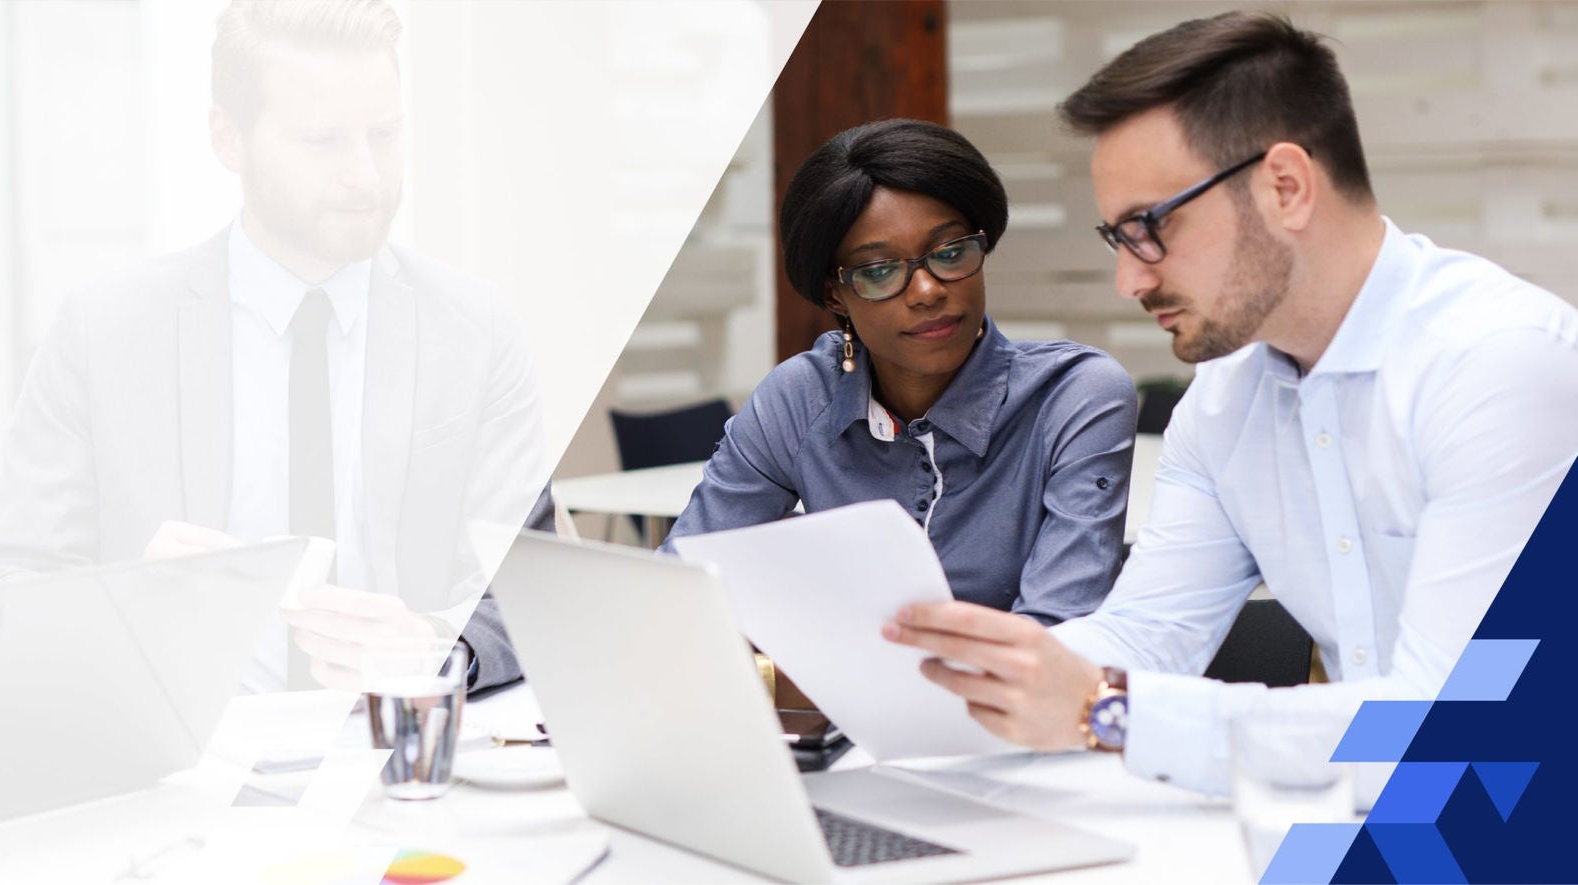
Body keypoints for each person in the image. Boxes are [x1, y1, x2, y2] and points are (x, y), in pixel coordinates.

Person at [887, 12, 1578, 793]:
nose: (1132, 280)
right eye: (1119, 240)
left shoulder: (1500, 366)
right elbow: (1146, 634)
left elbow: (1449, 732)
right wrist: (961, 676)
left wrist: (1106, 711)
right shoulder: (1226, 397)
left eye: (1150, 227)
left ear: (1285, 186)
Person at [0, 0, 544, 694]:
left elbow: (528, 590)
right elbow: (4, 590)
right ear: (227, 139)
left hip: (401, 757)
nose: (364, 171)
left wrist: (431, 647)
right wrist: (126, 606)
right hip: (178, 767)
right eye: (322, 140)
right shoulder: (102, 333)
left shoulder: (476, 331)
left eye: (384, 133)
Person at [665, 119, 1136, 625]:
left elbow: (1058, 631)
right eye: (878, 270)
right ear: (834, 295)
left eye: (951, 253)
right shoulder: (799, 399)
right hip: (839, 702)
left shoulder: (1074, 398)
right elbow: (681, 589)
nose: (929, 290)